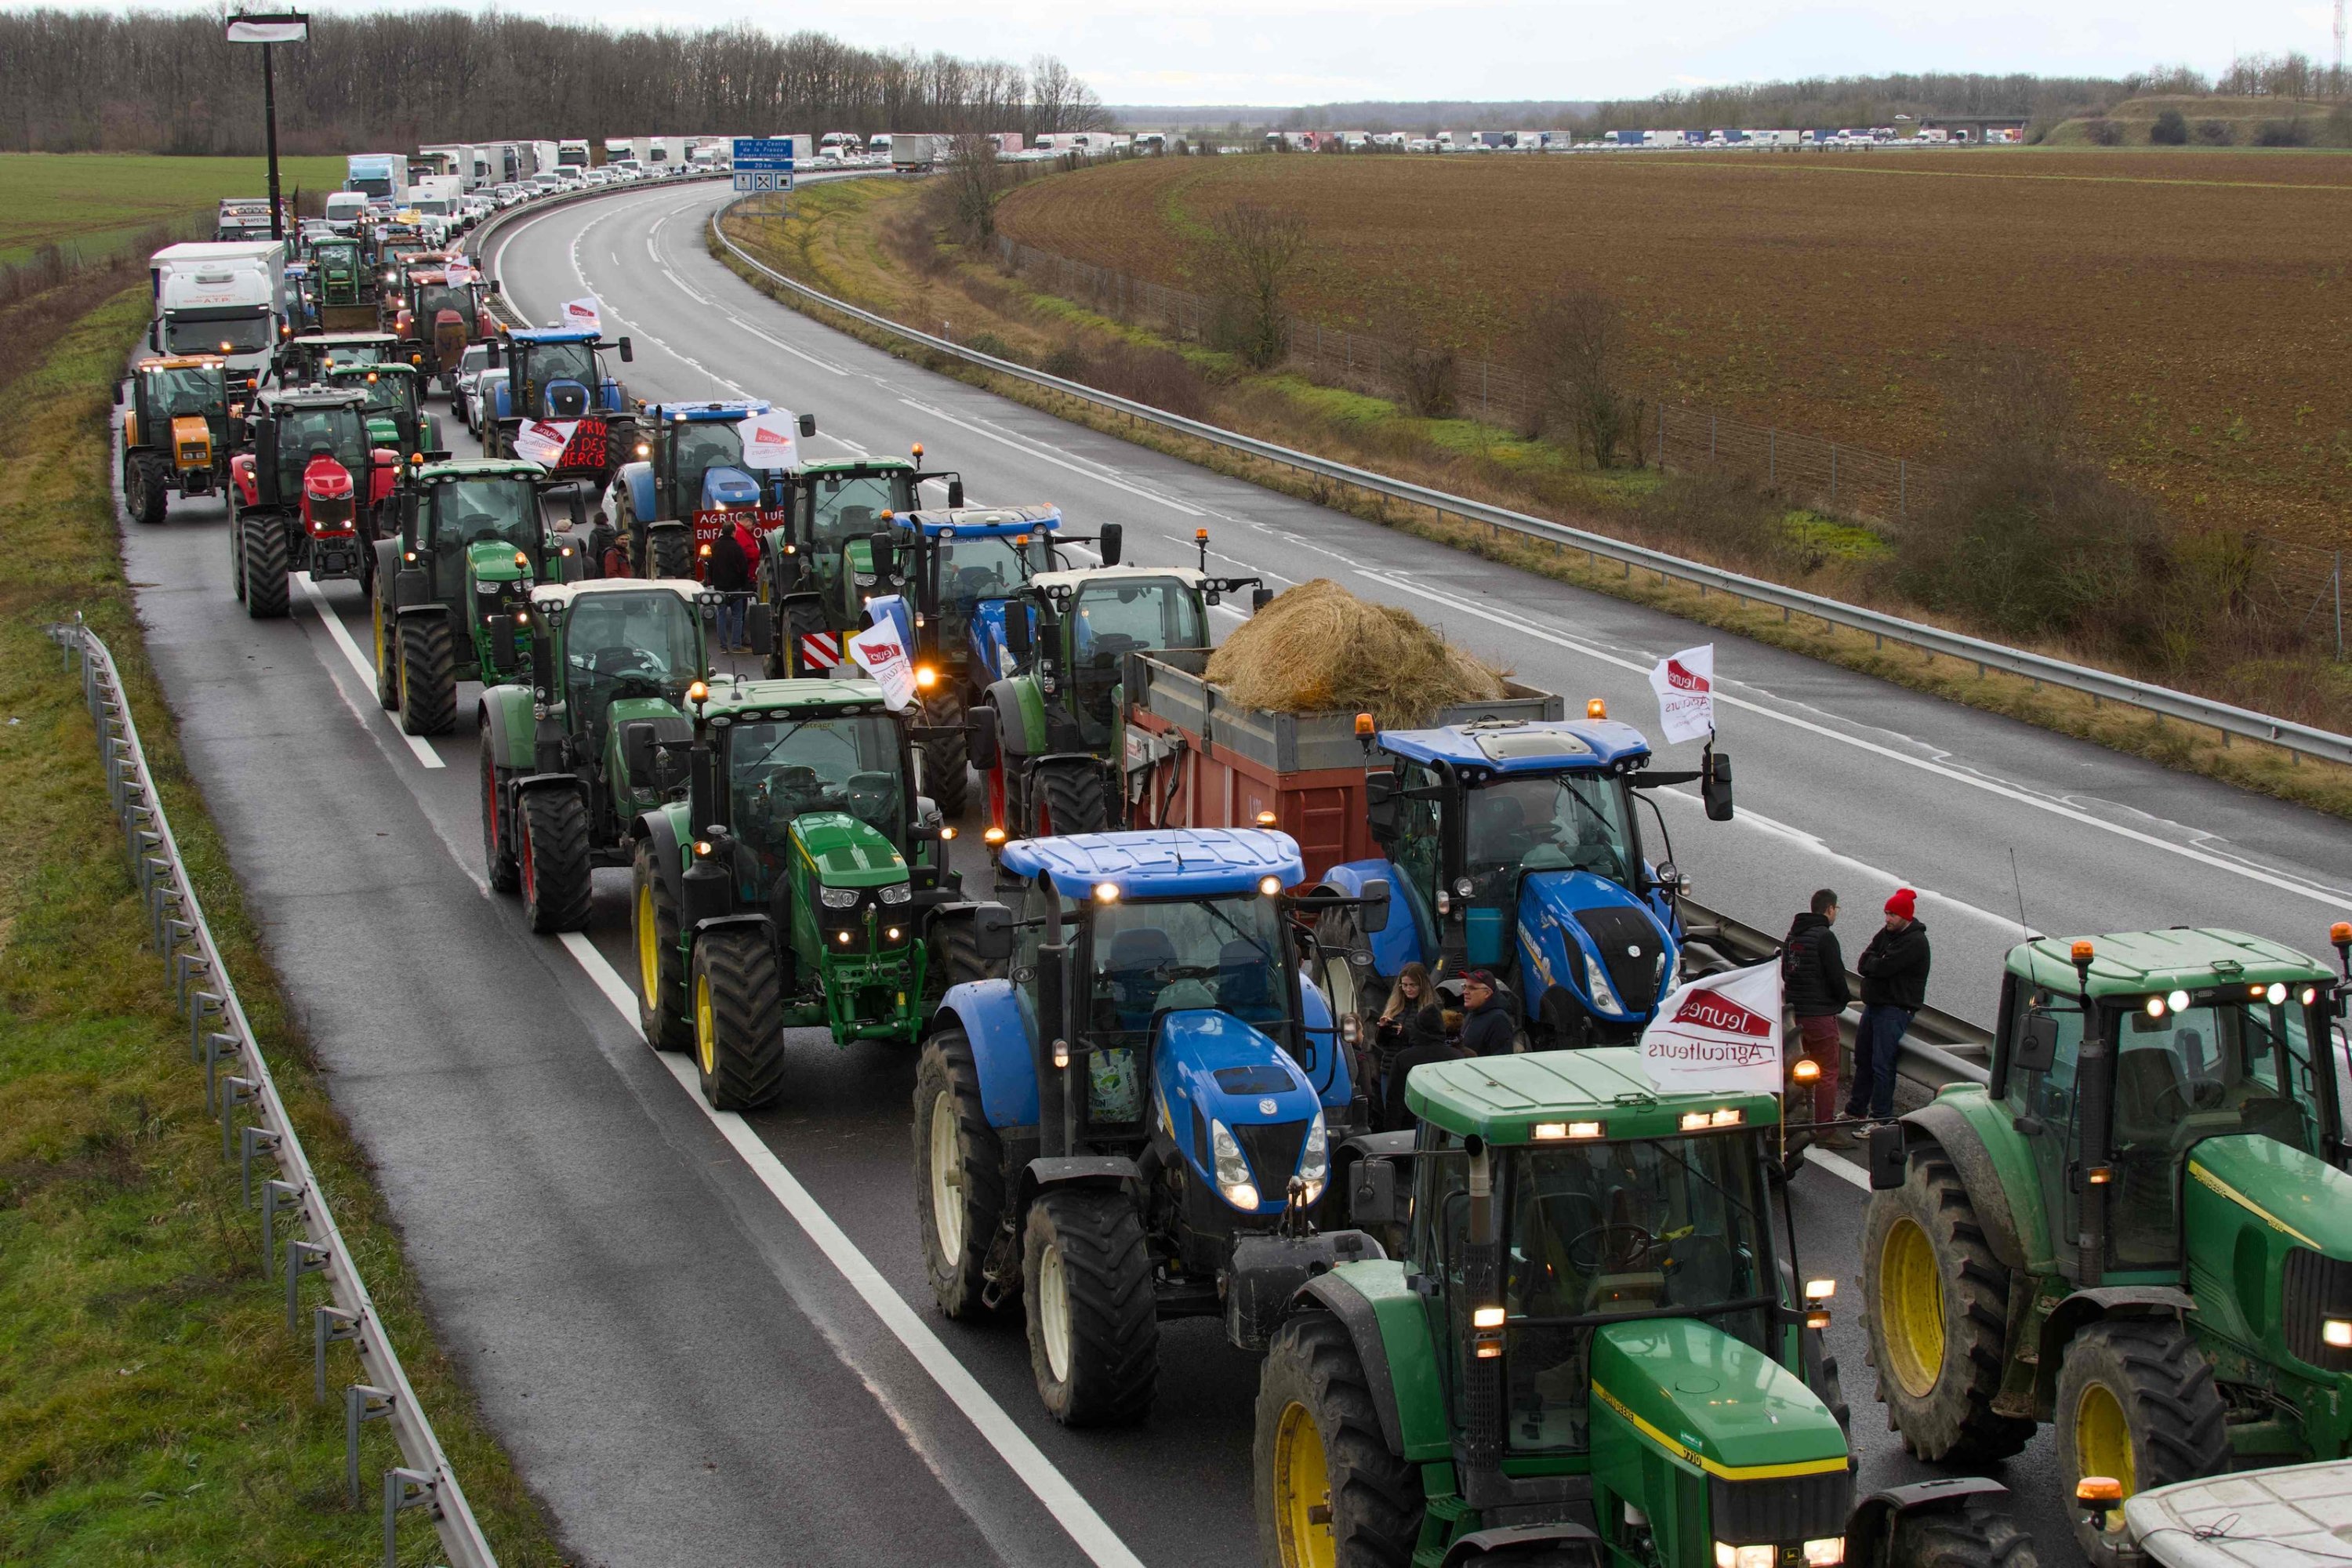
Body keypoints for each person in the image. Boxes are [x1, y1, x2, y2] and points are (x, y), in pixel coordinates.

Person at [1847, 888, 1930, 1122]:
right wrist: (1877, 963)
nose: (1887, 919)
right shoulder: (1887, 933)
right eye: (1886, 913)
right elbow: (1863, 963)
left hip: (1894, 1009)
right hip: (1875, 1006)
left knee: (1882, 1065)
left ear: (1906, 916)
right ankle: (1855, 1110)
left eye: (1893, 914)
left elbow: (1884, 968)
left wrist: (1877, 963)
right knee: (1863, 1060)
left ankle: (1880, 1119)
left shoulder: (1915, 941)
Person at [1784, 889, 1851, 1146]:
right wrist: (1841, 1000)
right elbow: (1836, 977)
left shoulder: (1793, 936)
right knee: (1827, 1072)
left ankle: (1796, 1124)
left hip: (1794, 1017)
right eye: (1837, 909)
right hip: (1821, 1016)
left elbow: (1785, 973)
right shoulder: (1826, 937)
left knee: (1796, 1072)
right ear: (1830, 909)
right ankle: (1824, 1129)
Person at [1377, 963, 1451, 1130]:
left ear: (1422, 985)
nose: (1408, 989)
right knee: (1391, 1113)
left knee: (1413, 1118)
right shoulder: (1395, 1007)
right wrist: (1383, 1030)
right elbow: (1381, 1044)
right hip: (1389, 1068)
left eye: (1412, 985)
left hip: (1414, 1067)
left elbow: (1431, 1041)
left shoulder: (1431, 1009)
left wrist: (1403, 1032)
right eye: (1404, 985)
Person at [706, 521, 750, 651]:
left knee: (721, 614)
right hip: (735, 586)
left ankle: (723, 645)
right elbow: (743, 568)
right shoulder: (737, 547)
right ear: (733, 532)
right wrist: (744, 584)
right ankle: (736, 644)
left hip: (720, 586)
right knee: (737, 616)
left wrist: (713, 580)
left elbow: (709, 565)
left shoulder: (714, 546)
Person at [1458, 970, 1515, 1058]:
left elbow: (1501, 1059)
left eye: (1472, 988)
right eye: (1464, 987)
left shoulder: (1499, 1019)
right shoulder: (1472, 1013)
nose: (1465, 992)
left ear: (1487, 993)